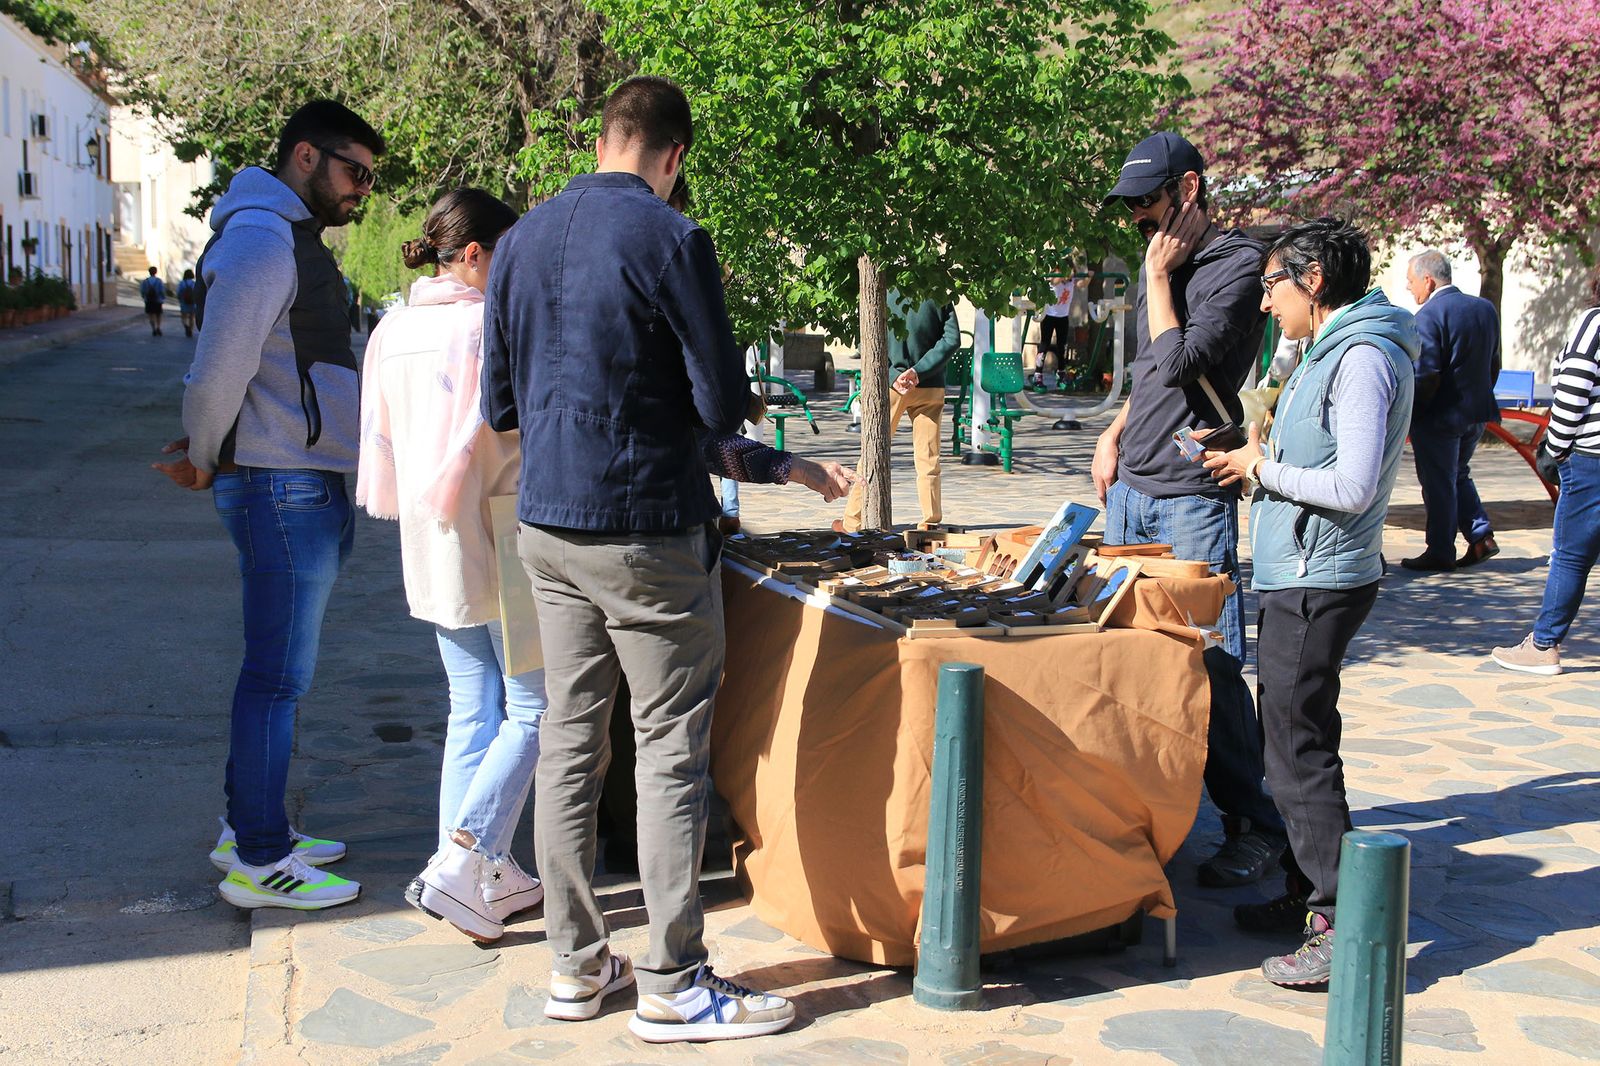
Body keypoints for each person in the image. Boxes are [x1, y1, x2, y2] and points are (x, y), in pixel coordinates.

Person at [480, 75, 798, 1043]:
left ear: (607, 138)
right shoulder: (672, 238)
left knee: (572, 735)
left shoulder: (521, 240)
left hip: (547, 526)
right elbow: (718, 402)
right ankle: (671, 978)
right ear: (672, 157)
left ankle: (575, 967)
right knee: (667, 745)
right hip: (647, 527)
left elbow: (499, 408)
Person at [151, 99, 384, 911]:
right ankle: (258, 859)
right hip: (280, 483)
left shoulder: (284, 235)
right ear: (305, 157)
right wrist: (208, 454)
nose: (363, 191)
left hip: (296, 479)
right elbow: (218, 370)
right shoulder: (260, 237)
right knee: (276, 681)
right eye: (355, 171)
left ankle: (248, 826)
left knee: (274, 676)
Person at [1203, 217, 1417, 986]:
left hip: (1322, 581)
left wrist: (1263, 470)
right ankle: (1306, 892)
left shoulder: (1361, 357)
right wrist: (1254, 446)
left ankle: (1338, 922)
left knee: (1297, 754)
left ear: (1314, 280)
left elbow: (1355, 486)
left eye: (1271, 286)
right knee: (1290, 741)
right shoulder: (1324, 349)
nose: (1265, 304)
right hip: (1304, 573)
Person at [1093, 131, 1288, 886]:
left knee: (1207, 666)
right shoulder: (1162, 268)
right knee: (1125, 659)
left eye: (1149, 200)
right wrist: (1112, 432)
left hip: (1191, 499)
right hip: (1131, 488)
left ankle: (1256, 823)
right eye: (1131, 207)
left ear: (1189, 189)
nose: (1140, 218)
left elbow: (1182, 361)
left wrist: (1158, 277)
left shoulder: (1236, 265)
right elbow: (1150, 374)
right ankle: (1150, 811)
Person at [355, 188, 547, 942]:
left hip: (429, 541)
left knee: (472, 710)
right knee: (536, 708)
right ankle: (466, 860)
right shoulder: (485, 326)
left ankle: (461, 870)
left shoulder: (392, 326)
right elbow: (517, 431)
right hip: (500, 532)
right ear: (475, 254)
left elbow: (382, 441)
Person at [1493, 273, 1600, 675]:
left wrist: (1553, 449)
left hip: (1590, 457)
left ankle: (1543, 644)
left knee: (1571, 555)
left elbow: (1572, 394)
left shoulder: (1594, 323)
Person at [1400, 249, 1502, 571]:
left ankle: (1440, 550)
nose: (1408, 288)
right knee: (1457, 474)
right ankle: (1480, 536)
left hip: (1440, 415)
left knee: (1438, 481)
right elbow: (1493, 364)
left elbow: (1426, 373)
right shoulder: (1484, 309)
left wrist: (1411, 414)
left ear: (1428, 281)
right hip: (1477, 411)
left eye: (1411, 281)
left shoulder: (1428, 316)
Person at [834, 293, 957, 532]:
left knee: (872, 454)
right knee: (928, 456)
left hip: (890, 384)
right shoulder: (937, 288)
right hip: (930, 382)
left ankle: (852, 522)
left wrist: (892, 374)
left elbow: (864, 342)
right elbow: (952, 338)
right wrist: (920, 371)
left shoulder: (881, 287)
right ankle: (930, 522)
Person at [1034, 269, 1074, 389]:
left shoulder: (1071, 281)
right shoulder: (1053, 279)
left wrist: (1089, 276)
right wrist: (1063, 274)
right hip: (1049, 316)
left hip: (1063, 317)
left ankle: (1061, 373)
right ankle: (1038, 374)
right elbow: (1055, 281)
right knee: (1044, 345)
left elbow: (1082, 284)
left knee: (1062, 346)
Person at [140, 266, 167, 336]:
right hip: (158, 300)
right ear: (156, 272)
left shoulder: (145, 281)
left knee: (151, 315)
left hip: (149, 300)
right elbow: (162, 291)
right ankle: (158, 327)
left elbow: (142, 291)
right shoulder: (159, 281)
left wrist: (144, 297)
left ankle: (153, 328)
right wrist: (163, 298)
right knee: (158, 315)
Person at [176, 269, 199, 337]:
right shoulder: (194, 283)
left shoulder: (181, 283)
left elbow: (178, 293)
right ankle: (190, 330)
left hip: (184, 302)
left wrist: (180, 299)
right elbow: (197, 293)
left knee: (184, 316)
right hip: (192, 302)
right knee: (192, 317)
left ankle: (186, 326)